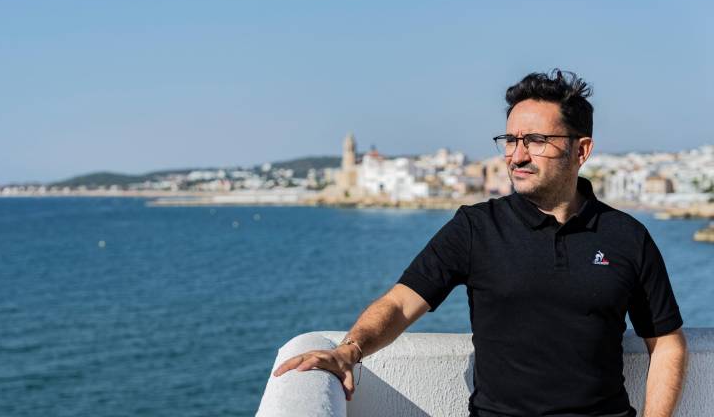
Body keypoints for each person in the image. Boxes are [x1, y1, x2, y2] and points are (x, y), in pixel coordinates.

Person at [273, 69, 688, 417]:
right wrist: (348, 351)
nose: (517, 155)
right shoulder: (475, 227)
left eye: (536, 141)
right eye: (510, 140)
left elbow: (666, 342)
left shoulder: (626, 236)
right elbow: (400, 303)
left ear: (581, 150)